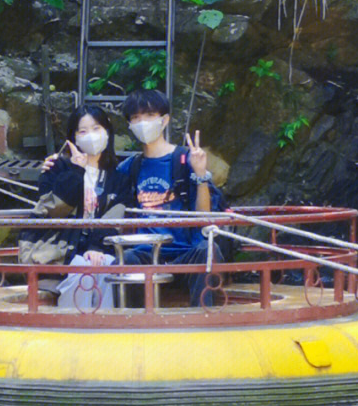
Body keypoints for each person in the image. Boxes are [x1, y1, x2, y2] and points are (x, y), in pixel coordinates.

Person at [111, 88, 225, 306]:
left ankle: (202, 322)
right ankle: (131, 326)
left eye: (149, 115)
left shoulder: (185, 158)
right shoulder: (129, 167)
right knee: (126, 259)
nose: (142, 122)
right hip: (147, 255)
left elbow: (205, 217)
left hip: (186, 253)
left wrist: (201, 175)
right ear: (129, 125)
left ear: (164, 120)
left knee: (207, 249)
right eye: (136, 117)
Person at [36, 104, 119, 310]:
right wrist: (76, 170)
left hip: (99, 248)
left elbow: (116, 214)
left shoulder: (118, 175)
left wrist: (96, 247)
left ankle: (105, 329)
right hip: (63, 249)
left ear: (107, 132)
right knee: (82, 269)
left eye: (97, 128)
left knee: (108, 266)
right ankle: (71, 329)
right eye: (83, 131)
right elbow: (51, 210)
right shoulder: (56, 168)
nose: (91, 135)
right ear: (73, 137)